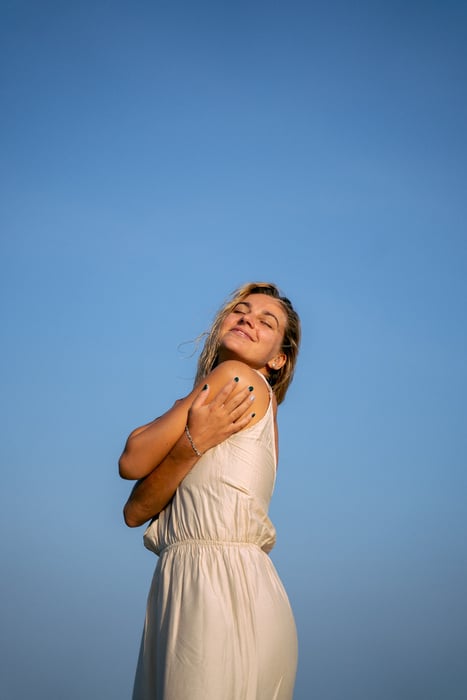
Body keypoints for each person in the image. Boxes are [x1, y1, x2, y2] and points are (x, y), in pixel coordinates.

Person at [119, 282, 301, 700]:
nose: (248, 320)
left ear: (279, 358)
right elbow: (135, 511)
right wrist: (191, 443)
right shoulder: (233, 404)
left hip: (214, 586)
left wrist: (190, 435)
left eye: (265, 321)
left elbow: (131, 458)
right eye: (241, 310)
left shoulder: (234, 377)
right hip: (218, 580)